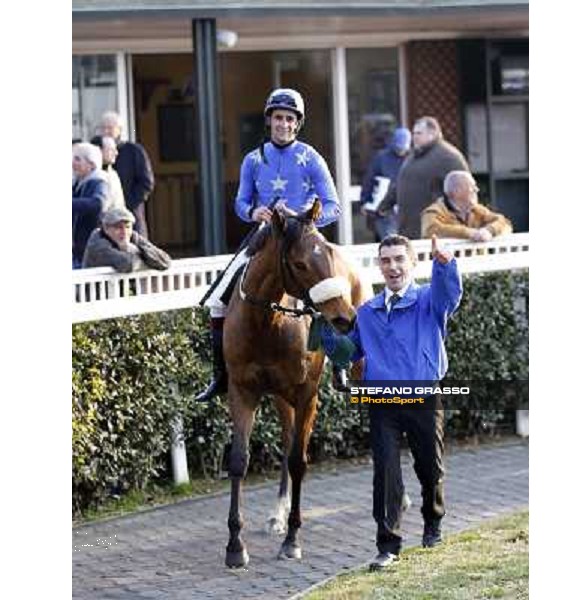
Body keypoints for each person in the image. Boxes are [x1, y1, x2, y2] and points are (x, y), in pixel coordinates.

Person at [319, 233, 462, 570]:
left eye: (399, 259)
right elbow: (348, 351)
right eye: (386, 260)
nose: (393, 266)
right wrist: (323, 330)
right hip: (381, 400)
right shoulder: (367, 313)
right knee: (385, 473)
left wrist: (444, 264)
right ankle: (388, 545)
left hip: (423, 395)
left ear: (411, 263)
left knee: (430, 467)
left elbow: (450, 296)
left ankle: (433, 522)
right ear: (380, 266)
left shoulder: (429, 300)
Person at [196, 87, 341, 403]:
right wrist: (253, 212)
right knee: (218, 299)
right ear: (269, 120)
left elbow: (334, 206)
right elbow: (240, 202)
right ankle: (220, 375)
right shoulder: (253, 159)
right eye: (278, 118)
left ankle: (340, 364)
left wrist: (304, 219)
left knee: (330, 292)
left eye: (290, 119)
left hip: (304, 238)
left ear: (297, 124)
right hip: (265, 236)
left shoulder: (311, 157)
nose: (284, 124)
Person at [379, 116, 470, 240]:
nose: (414, 137)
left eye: (419, 133)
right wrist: (385, 205)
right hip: (408, 229)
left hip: (433, 232)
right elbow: (400, 183)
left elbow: (466, 191)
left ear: (432, 134)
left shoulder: (449, 157)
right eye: (413, 133)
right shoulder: (414, 155)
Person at [99, 111, 154, 238]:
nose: (106, 131)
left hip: (131, 215)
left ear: (119, 130)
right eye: (103, 128)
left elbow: (146, 183)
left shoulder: (134, 151)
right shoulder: (97, 152)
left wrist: (126, 205)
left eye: (110, 128)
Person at [421, 170, 513, 241]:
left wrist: (489, 230)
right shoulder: (434, 212)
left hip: (478, 263)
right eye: (472, 186)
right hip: (448, 264)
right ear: (456, 192)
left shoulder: (477, 210)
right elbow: (431, 231)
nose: (477, 190)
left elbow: (504, 222)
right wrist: (469, 233)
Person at [360, 127, 411, 241]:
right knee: (390, 241)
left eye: (403, 149)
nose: (401, 151)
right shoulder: (381, 158)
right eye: (398, 148)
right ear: (393, 143)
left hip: (404, 210)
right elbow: (369, 181)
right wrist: (365, 201)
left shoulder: (411, 157)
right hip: (384, 208)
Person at [82, 207, 171, 272]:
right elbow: (128, 264)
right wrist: (128, 249)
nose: (124, 232)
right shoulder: (97, 242)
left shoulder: (132, 236)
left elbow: (165, 261)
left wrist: (136, 250)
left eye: (128, 227)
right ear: (106, 229)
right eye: (118, 227)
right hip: (96, 295)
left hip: (124, 293)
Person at [72, 142, 109, 269]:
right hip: (77, 246)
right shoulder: (77, 182)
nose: (73, 163)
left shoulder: (98, 182)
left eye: (77, 159)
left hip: (89, 245)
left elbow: (98, 203)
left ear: (91, 164)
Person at [90, 135, 126, 211]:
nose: (116, 153)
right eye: (112, 150)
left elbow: (120, 204)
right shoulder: (88, 175)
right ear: (99, 150)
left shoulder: (113, 174)